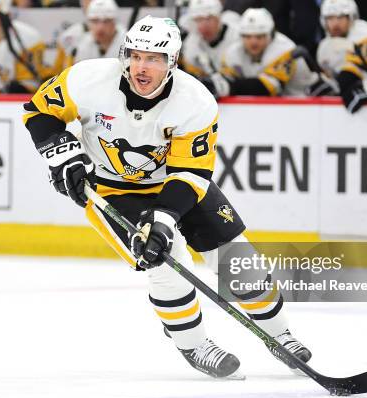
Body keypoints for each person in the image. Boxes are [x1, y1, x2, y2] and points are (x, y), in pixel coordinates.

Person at [22, 15, 311, 379]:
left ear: (172, 62)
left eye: (154, 59)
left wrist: (163, 219)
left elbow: (190, 174)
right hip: (113, 190)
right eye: (136, 56)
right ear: (124, 54)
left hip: (177, 184)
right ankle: (193, 343)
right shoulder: (88, 78)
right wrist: (62, 155)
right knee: (164, 262)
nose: (142, 67)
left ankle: (279, 335)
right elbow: (39, 111)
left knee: (238, 259)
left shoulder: (195, 101)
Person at [208, 8, 334, 97]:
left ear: (271, 35)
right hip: (281, 108)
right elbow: (225, 77)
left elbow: (268, 88)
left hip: (309, 100)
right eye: (248, 36)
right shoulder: (233, 51)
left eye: (259, 36)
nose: (253, 42)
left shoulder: (285, 49)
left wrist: (227, 86)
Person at [181, 0, 239, 77]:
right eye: (198, 20)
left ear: (219, 17)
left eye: (209, 18)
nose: (204, 25)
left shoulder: (236, 37)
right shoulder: (191, 43)